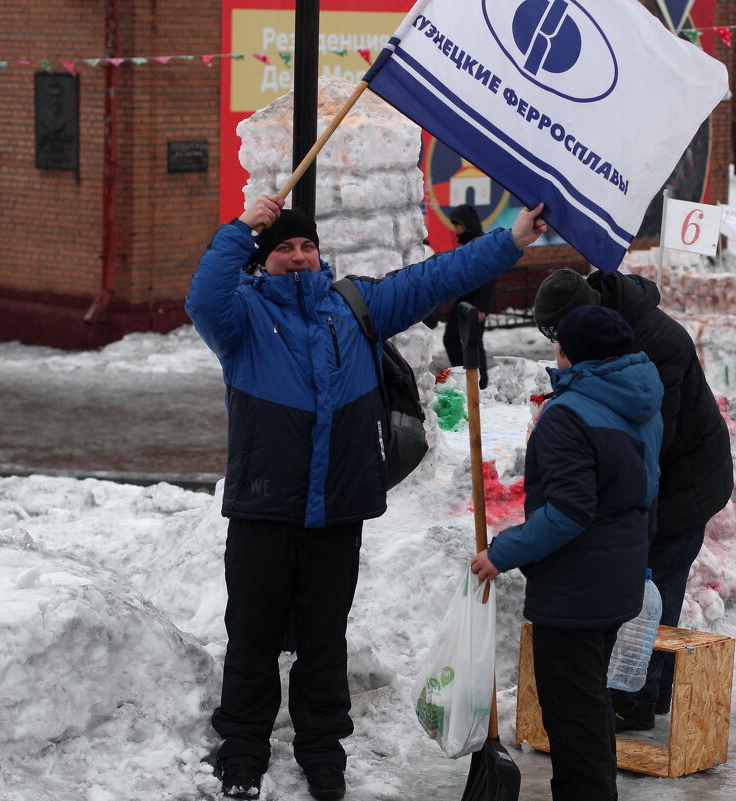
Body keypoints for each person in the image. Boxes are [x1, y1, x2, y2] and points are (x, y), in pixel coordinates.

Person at [185, 194, 547, 801]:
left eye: (307, 246)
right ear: (264, 259)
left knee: (326, 637)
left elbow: (437, 276)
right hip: (265, 506)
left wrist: (510, 240)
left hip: (337, 508)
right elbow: (202, 297)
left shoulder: (355, 306)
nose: (298, 257)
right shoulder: (240, 316)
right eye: (284, 249)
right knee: (252, 633)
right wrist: (239, 231)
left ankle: (322, 749)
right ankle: (243, 747)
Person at [469, 304, 663, 801]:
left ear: (566, 351)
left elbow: (568, 512)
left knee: (572, 716)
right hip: (617, 575)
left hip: (577, 589)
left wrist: (501, 552)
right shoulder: (639, 401)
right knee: (589, 699)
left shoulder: (568, 414)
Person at [530, 267, 734, 732]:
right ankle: (650, 691)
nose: (559, 347)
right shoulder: (602, 331)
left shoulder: (655, 342)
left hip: (684, 481)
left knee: (652, 588)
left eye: (560, 335)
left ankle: (635, 700)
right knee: (646, 585)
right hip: (654, 477)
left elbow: (644, 442)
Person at [441, 204, 494, 389]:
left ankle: (479, 382)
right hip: (463, 300)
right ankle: (465, 377)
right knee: (452, 339)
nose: (455, 229)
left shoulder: (481, 243)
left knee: (472, 342)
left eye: (457, 224)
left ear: (467, 224)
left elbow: (489, 276)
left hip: (474, 304)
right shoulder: (469, 242)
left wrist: (481, 307)